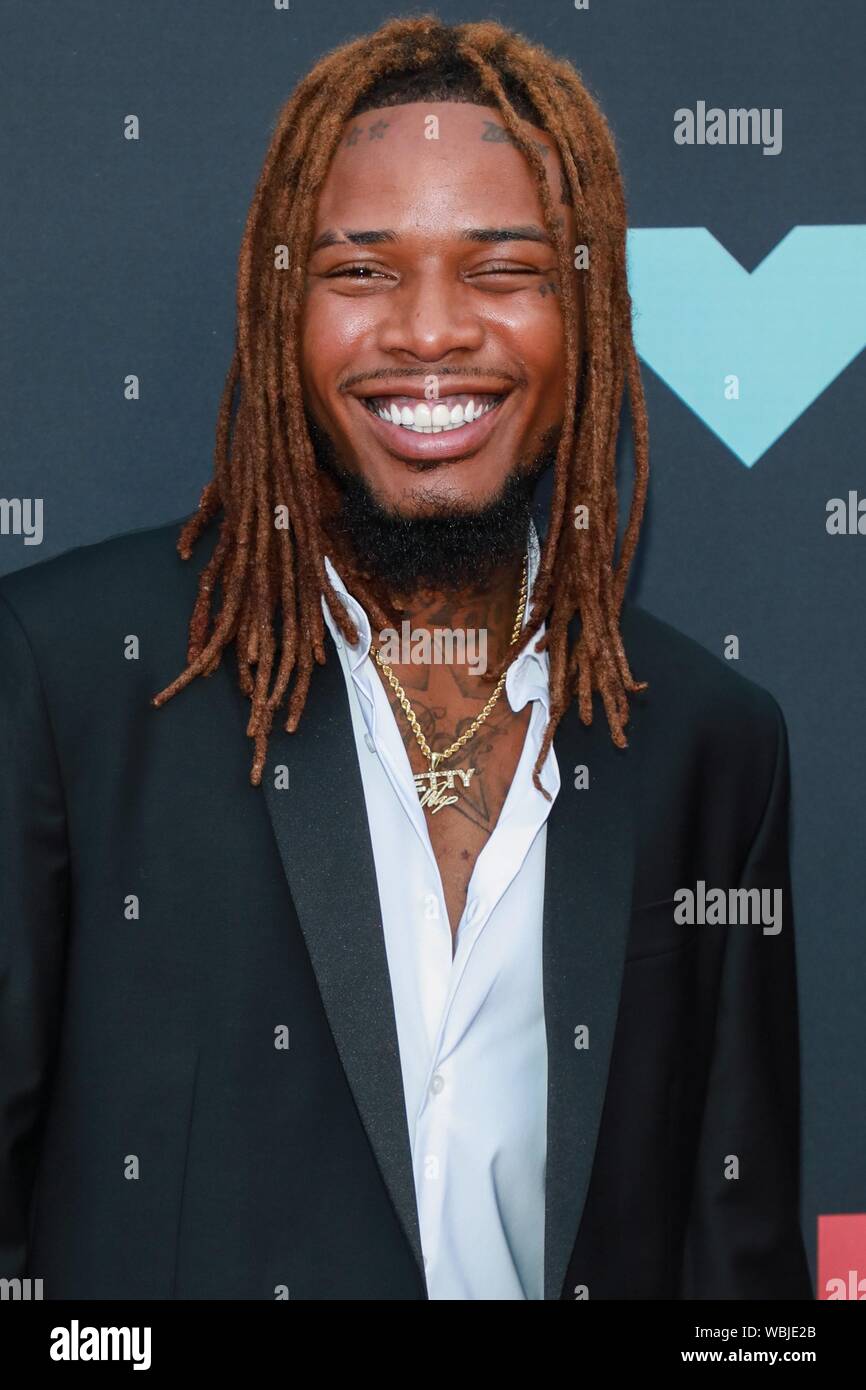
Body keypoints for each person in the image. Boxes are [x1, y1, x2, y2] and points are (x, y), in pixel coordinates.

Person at [0, 16, 812, 1300]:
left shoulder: (710, 741)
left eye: (502, 269)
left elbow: (738, 1259)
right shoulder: (69, 680)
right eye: (361, 272)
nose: (429, 333)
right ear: (280, 309)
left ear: (586, 313)